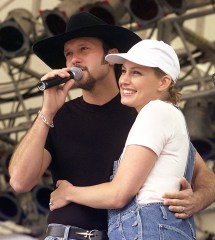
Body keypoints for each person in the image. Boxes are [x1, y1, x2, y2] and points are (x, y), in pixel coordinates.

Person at [8, 12, 215, 240]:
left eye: (83, 49)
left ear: (111, 56)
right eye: (68, 54)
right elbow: (19, 181)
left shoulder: (142, 111)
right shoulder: (58, 116)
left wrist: (197, 200)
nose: (74, 59)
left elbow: (205, 176)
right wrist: (46, 111)